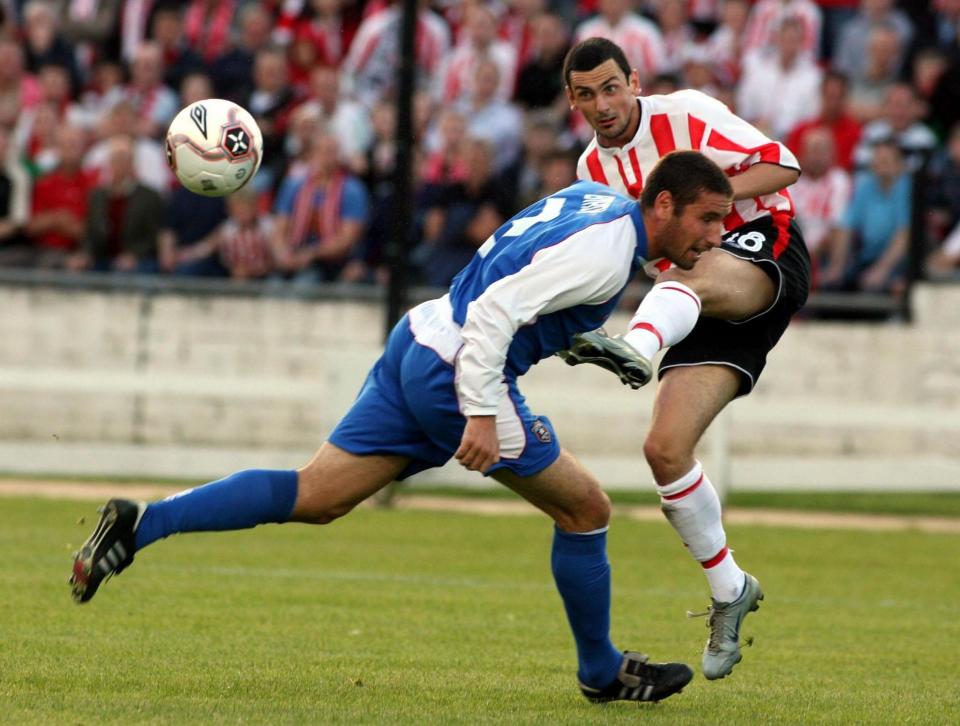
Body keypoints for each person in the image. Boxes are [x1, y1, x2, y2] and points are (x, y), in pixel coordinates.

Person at [70, 150, 736, 705]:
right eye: (706, 219)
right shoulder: (607, 255)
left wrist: (573, 339)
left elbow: (513, 279)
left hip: (421, 335)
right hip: (461, 372)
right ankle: (600, 671)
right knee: (586, 508)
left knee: (319, 495)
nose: (713, 238)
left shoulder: (593, 197)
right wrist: (478, 409)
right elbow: (500, 312)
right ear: (664, 204)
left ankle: (141, 524)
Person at [560, 37, 812, 681]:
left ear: (634, 81)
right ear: (573, 100)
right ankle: (731, 589)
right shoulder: (591, 173)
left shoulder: (686, 114)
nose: (603, 104)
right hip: (691, 292)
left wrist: (710, 209)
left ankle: (638, 349)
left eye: (612, 87)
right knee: (664, 451)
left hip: (760, 246)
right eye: (587, 94)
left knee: (683, 282)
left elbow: (782, 164)